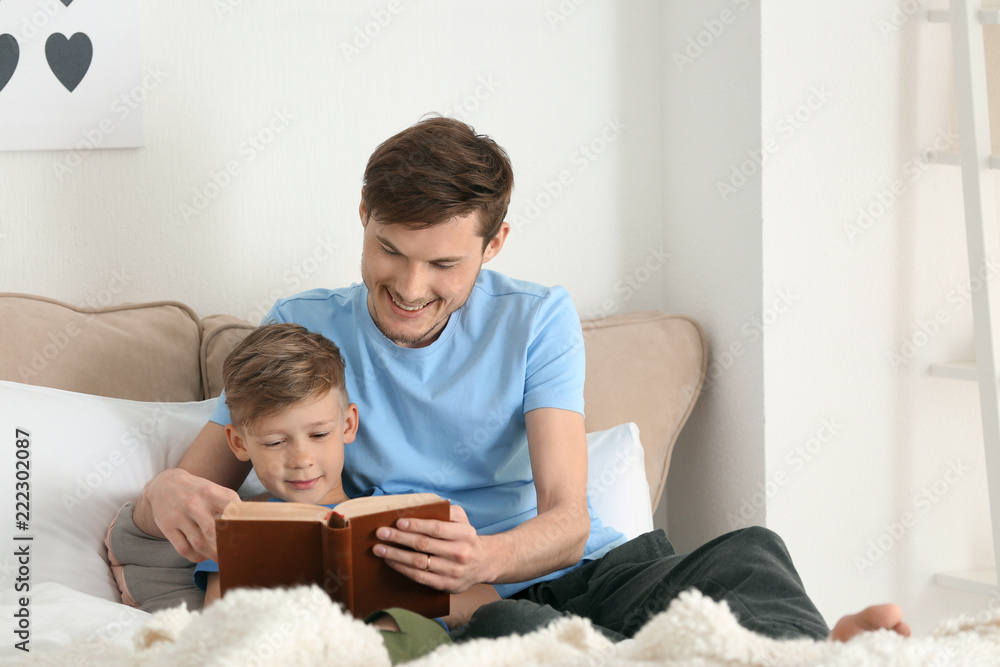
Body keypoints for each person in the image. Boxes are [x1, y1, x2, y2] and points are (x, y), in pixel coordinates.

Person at [133, 115, 910, 643]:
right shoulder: (302, 324)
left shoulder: (538, 318)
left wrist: (486, 557)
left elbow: (568, 518)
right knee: (517, 632)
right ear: (364, 213)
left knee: (753, 554)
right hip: (463, 610)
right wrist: (163, 494)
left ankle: (813, 650)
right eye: (390, 249)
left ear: (494, 242)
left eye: (443, 263)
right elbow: (201, 482)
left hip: (579, 570)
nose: (409, 286)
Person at [194, 321, 498, 661]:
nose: (302, 460)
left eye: (319, 435)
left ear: (348, 425)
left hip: (403, 646)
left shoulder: (397, 512)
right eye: (275, 442)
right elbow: (218, 628)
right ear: (239, 443)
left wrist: (403, 602)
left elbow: (487, 602)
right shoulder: (239, 530)